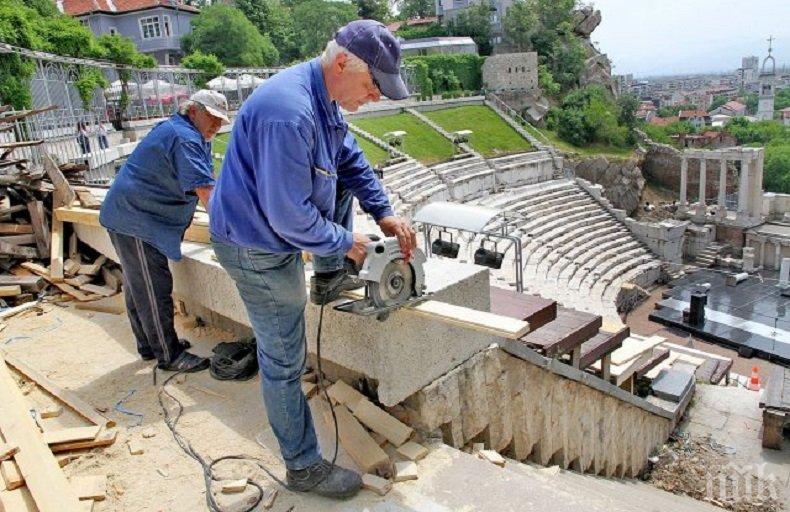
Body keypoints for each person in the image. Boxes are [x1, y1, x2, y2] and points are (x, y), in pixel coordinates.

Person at [209, 20, 416, 499]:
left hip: (268, 229)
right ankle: (302, 467)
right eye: (373, 86)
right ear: (342, 62)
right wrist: (348, 243)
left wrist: (383, 212)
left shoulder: (323, 98)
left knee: (337, 182)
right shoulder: (290, 112)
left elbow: (348, 159)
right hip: (255, 244)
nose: (377, 98)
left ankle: (327, 280)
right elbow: (289, 218)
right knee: (284, 358)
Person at [99, 90, 229, 372]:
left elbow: (206, 179)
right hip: (136, 218)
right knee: (152, 288)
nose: (217, 126)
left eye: (221, 121)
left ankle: (149, 345)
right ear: (193, 111)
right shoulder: (185, 137)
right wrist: (233, 232)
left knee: (138, 286)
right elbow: (207, 192)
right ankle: (169, 356)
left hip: (134, 214)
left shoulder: (182, 130)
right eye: (213, 118)